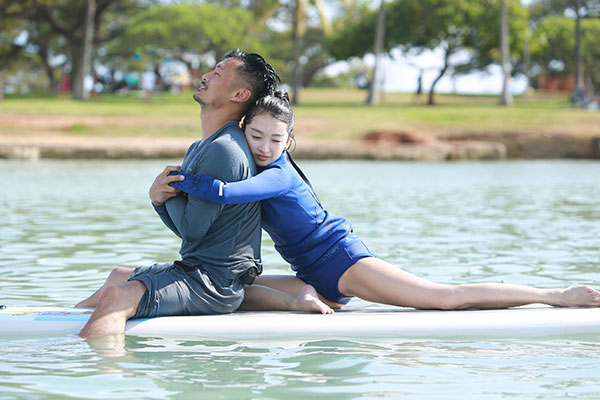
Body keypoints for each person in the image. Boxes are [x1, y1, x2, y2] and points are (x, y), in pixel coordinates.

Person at [170, 90, 600, 312]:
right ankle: (302, 299)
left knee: (443, 297)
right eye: (255, 136)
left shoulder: (278, 174)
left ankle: (557, 295)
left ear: (290, 141)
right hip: (312, 273)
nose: (264, 146)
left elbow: (229, 193)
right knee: (229, 291)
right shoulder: (256, 163)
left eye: (276, 139)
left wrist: (186, 179)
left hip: (340, 260)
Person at [76, 50, 329, 339]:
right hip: (196, 270)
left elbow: (192, 232)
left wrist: (164, 197)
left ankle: (91, 367)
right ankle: (64, 323)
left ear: (239, 94)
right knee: (117, 277)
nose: (206, 76)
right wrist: (161, 201)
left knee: (116, 298)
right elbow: (194, 232)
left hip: (211, 285)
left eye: (218, 73)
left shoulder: (225, 151)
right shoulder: (201, 146)